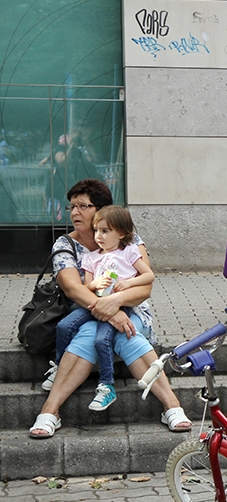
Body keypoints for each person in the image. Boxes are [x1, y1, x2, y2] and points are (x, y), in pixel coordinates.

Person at [30, 179, 191, 438]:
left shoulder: (129, 240)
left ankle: (172, 406)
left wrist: (117, 303)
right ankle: (50, 411)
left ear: (101, 209)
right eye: (72, 206)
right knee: (88, 335)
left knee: (127, 333)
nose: (75, 212)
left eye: (83, 206)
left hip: (131, 311)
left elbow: (144, 287)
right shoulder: (65, 245)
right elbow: (73, 289)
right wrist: (110, 311)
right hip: (86, 313)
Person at [52, 205, 154, 412]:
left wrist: (129, 283)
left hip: (119, 306)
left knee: (102, 339)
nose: (98, 236)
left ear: (121, 233)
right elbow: (85, 287)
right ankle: (58, 366)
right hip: (94, 306)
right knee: (64, 326)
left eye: (105, 231)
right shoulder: (90, 257)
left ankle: (107, 385)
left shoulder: (129, 252)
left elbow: (148, 276)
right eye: (96, 230)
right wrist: (94, 284)